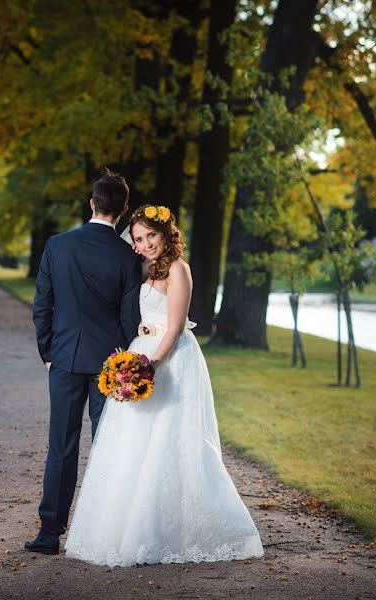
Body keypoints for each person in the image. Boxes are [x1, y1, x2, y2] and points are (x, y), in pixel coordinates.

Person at [63, 204, 264, 566]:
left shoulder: (178, 270)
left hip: (171, 359)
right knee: (135, 442)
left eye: (150, 236)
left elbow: (174, 326)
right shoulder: (143, 268)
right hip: (143, 351)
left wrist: (150, 364)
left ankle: (185, 528)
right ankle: (132, 526)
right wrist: (136, 347)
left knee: (174, 441)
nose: (144, 243)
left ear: (165, 233)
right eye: (138, 239)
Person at [25, 169, 143, 556]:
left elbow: (42, 305)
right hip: (110, 363)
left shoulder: (57, 246)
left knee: (61, 445)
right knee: (108, 444)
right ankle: (107, 532)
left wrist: (47, 353)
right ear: (123, 210)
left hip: (64, 359)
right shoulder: (128, 255)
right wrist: (124, 360)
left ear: (91, 204)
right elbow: (130, 318)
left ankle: (49, 533)